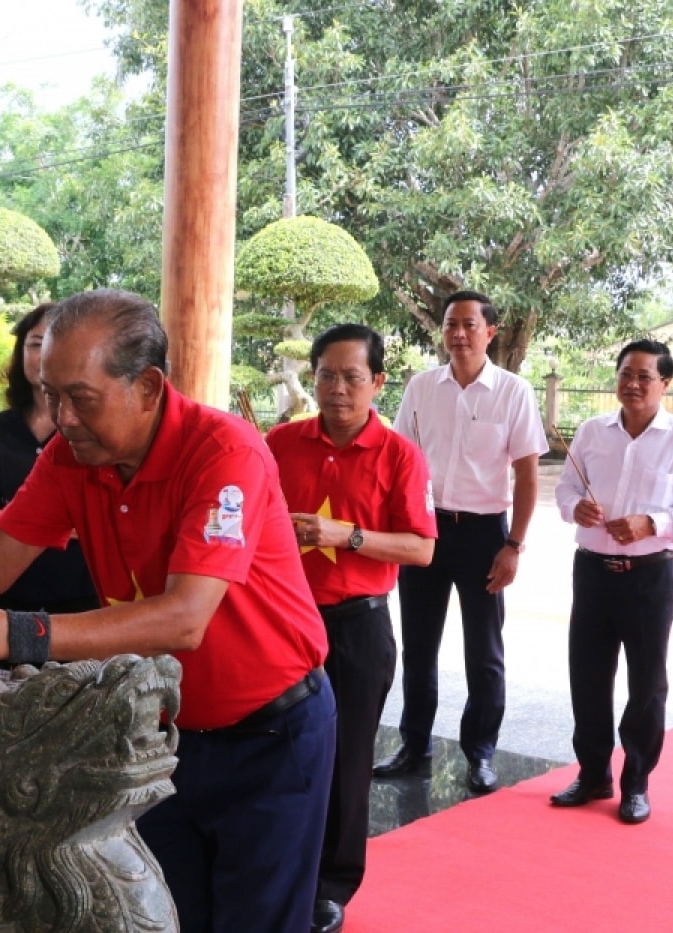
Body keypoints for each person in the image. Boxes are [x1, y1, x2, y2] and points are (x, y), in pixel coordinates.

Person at [0, 288, 336, 933]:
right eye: (51, 395)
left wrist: (13, 634)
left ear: (148, 387)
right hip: (157, 730)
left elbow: (184, 618)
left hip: (271, 733)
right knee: (162, 912)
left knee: (259, 922)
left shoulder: (226, 454)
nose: (62, 417)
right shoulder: (72, 457)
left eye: (80, 397)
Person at [266, 324, 436, 933]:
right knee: (273, 746)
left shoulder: (399, 456)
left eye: (352, 378)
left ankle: (333, 885)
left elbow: (421, 549)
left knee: (346, 757)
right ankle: (275, 864)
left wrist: (347, 536)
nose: (337, 390)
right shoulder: (279, 443)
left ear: (378, 383)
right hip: (285, 621)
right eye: (326, 375)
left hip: (358, 626)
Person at [376, 290, 548, 793]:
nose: (458, 333)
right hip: (424, 530)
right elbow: (402, 463)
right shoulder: (423, 387)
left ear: (490, 332)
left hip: (484, 534)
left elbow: (528, 476)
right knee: (420, 646)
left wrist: (514, 545)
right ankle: (414, 744)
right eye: (451, 324)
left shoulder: (513, 392)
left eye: (470, 325)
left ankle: (481, 753)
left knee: (484, 650)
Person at [550, 339, 673, 824]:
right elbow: (565, 490)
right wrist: (574, 507)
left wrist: (652, 522)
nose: (633, 384)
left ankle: (637, 782)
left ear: (666, 383)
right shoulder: (591, 431)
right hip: (593, 571)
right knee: (587, 675)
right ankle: (594, 772)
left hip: (649, 576)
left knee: (647, 684)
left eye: (645, 376)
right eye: (626, 373)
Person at [0, 302, 99, 615]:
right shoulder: (0, 428)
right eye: (35, 344)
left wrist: (50, 526)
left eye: (55, 342)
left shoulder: (92, 429)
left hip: (78, 599)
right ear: (20, 351)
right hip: (8, 597)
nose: (45, 354)